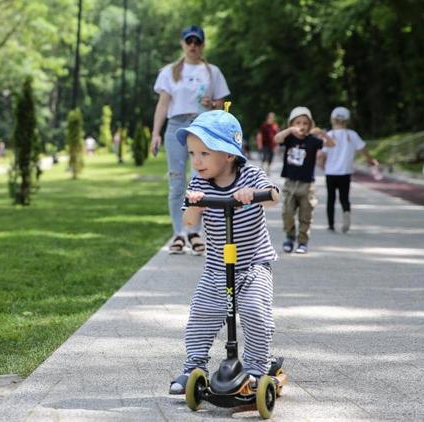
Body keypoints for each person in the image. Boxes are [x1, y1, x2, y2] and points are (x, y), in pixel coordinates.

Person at [167, 110, 280, 395]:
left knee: (256, 312)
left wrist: (253, 194)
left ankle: (255, 368)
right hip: (217, 268)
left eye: (204, 153)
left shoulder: (250, 174)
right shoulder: (198, 183)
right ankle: (194, 367)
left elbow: (274, 196)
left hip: (254, 265)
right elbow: (189, 222)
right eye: (192, 153)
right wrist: (195, 204)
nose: (196, 161)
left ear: (229, 154)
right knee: (201, 315)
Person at [150, 25, 231, 255]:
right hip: (175, 127)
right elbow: (163, 104)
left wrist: (213, 104)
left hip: (202, 129)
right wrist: (156, 133)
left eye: (197, 42)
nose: (193, 46)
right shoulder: (170, 71)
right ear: (183, 44)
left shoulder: (212, 72)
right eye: (189, 41)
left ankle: (194, 232)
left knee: (199, 184)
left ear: (203, 45)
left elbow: (224, 105)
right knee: (176, 184)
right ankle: (178, 234)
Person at [274, 107, 335, 254]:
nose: (302, 126)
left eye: (305, 123)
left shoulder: (313, 141)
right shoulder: (289, 138)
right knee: (287, 212)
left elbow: (332, 144)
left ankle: (303, 241)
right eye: (298, 122)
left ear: (310, 125)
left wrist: (321, 133)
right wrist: (290, 130)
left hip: (307, 185)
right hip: (290, 182)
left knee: (305, 215)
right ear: (292, 124)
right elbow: (277, 139)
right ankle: (289, 237)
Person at [320, 106, 378, 233]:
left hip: (330, 172)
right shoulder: (352, 135)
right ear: (347, 120)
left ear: (333, 119)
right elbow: (363, 149)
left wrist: (320, 163)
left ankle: (331, 225)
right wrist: (370, 160)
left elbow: (321, 155)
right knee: (344, 198)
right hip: (345, 172)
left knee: (331, 199)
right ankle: (346, 212)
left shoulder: (329, 135)